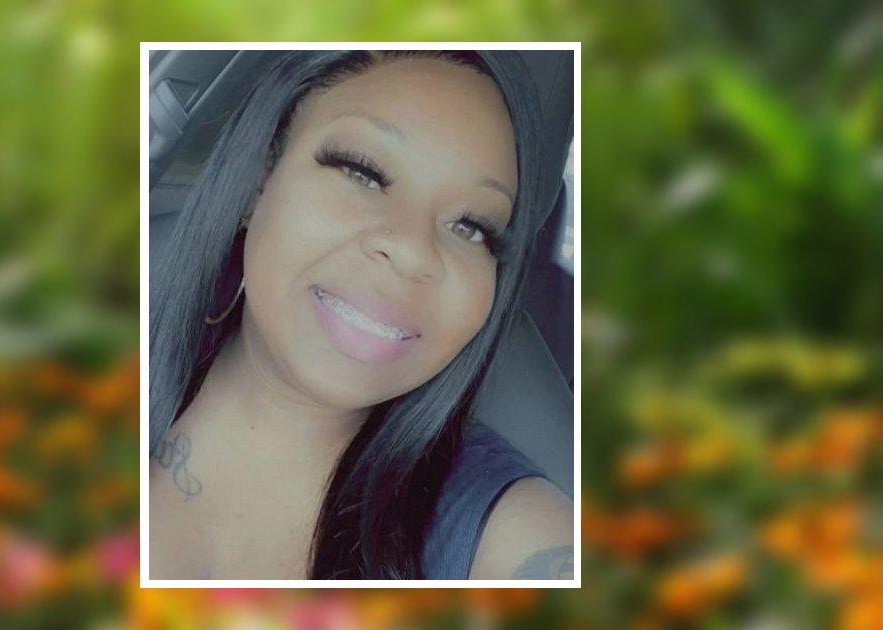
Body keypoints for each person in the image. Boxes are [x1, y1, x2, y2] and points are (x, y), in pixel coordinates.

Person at [149, 50, 573, 580]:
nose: (414, 252)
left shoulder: (513, 534)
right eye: (363, 172)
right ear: (260, 180)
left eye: (472, 227)